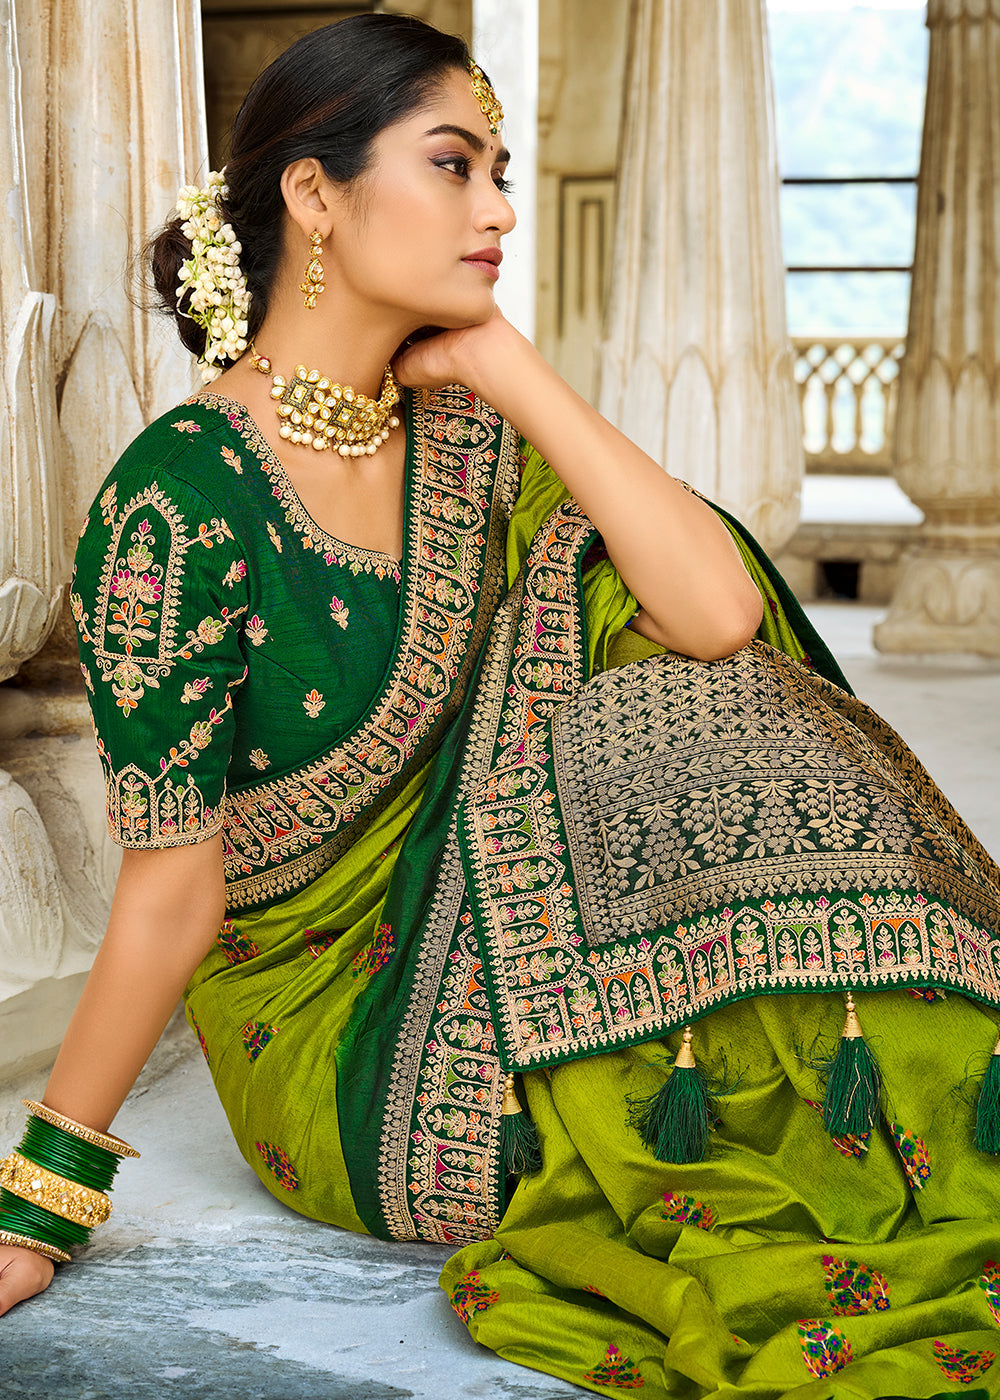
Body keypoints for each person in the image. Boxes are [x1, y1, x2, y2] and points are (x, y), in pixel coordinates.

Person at [2, 13, 999, 1397]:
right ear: (315, 194)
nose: (501, 211)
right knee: (738, 1082)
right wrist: (42, 1200)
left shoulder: (472, 434)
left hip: (520, 918)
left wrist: (507, 368)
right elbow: (175, 890)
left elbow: (715, 618)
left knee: (712, 704)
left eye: (502, 172)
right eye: (454, 165)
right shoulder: (181, 502)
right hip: (345, 1032)